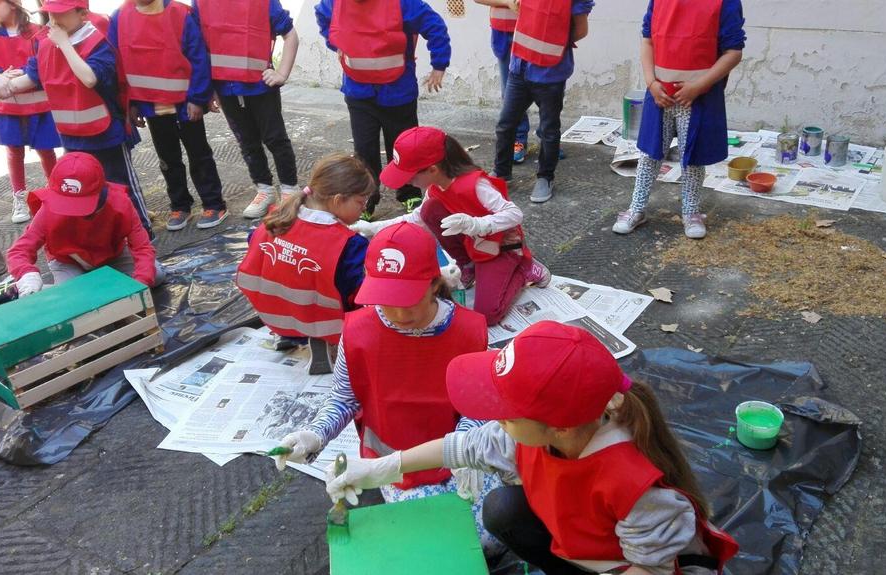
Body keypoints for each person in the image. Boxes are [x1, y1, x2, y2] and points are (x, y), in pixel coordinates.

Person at [325, 321, 739, 574]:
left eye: (504, 413)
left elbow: (651, 568)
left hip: (630, 567)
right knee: (501, 508)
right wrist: (382, 468)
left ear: (556, 427)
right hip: (585, 549)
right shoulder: (537, 435)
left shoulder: (637, 489)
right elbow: (463, 447)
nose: (494, 421)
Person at [271, 221, 505, 557]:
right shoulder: (358, 332)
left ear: (434, 283)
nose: (397, 313)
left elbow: (478, 407)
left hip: (457, 459)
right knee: (438, 546)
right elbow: (343, 397)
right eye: (385, 300)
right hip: (394, 469)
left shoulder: (468, 331)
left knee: (489, 540)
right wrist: (315, 435)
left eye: (407, 300)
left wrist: (465, 453)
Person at [0, 0, 155, 239]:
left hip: (106, 134)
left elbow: (89, 78)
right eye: (50, 15)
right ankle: (112, 240)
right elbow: (31, 77)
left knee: (122, 189)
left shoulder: (96, 42)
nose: (54, 21)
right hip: (72, 136)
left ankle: (145, 237)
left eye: (61, 14)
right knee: (88, 193)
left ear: (82, 13)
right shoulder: (47, 44)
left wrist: (65, 44)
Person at [352, 126, 550, 326]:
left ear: (432, 169)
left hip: (501, 248)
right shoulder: (435, 187)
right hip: (475, 245)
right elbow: (417, 219)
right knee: (430, 210)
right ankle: (468, 265)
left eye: (411, 177)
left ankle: (525, 270)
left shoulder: (476, 185)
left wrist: (477, 224)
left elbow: (515, 214)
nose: (408, 182)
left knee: (487, 316)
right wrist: (374, 228)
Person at [612, 0, 745, 239]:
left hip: (698, 98)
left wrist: (699, 86)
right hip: (660, 95)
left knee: (692, 157)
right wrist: (651, 82)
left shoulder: (725, 2)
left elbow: (733, 51)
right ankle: (636, 208)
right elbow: (648, 39)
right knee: (650, 154)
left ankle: (691, 212)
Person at [236, 154, 374, 375]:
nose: (363, 208)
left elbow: (254, 251)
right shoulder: (349, 244)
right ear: (338, 200)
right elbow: (358, 293)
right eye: (361, 202)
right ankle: (324, 343)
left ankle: (288, 335)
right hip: (323, 325)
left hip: (273, 315)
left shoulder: (276, 219)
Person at [315, 0, 451, 216]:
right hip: (358, 91)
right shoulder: (335, 3)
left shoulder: (402, 3)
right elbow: (322, 16)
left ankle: (409, 193)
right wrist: (336, 42)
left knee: (404, 147)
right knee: (364, 150)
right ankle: (365, 197)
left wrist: (439, 65)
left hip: (398, 92)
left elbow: (434, 25)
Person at [109, 0, 228, 231]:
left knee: (199, 153)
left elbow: (198, 58)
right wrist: (132, 103)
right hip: (152, 105)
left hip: (185, 102)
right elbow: (119, 64)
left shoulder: (180, 13)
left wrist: (197, 98)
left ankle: (214, 203)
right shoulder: (120, 16)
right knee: (167, 158)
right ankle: (180, 205)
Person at [192, 0, 299, 220]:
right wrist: (208, 89)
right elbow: (201, 46)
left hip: (260, 86)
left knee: (276, 139)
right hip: (225, 88)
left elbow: (290, 35)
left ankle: (289, 191)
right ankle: (265, 190)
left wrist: (282, 73)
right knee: (247, 142)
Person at [7, 152, 162, 297]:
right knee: (74, 300)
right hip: (68, 261)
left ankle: (94, 286)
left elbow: (142, 247)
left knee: (156, 275)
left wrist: (140, 284)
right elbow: (19, 250)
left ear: (100, 192)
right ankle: (45, 292)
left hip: (112, 256)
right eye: (67, 204)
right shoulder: (49, 209)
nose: (75, 212)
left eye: (81, 206)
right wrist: (26, 273)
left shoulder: (120, 203)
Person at [492, 0, 593, 204]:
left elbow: (581, 30)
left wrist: (552, 40)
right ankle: (501, 173)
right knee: (505, 124)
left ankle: (545, 177)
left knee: (549, 129)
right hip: (519, 66)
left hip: (550, 73)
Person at [0, 0, 59, 225]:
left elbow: (44, 62)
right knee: (14, 149)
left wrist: (24, 74)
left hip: (38, 102)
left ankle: (56, 190)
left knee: (46, 149)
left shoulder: (37, 32)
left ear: (13, 5)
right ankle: (20, 195)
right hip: (6, 105)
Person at [474, 0, 529, 164]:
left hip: (533, 31)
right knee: (510, 93)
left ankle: (549, 140)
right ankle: (518, 139)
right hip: (503, 33)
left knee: (544, 89)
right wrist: (507, 2)